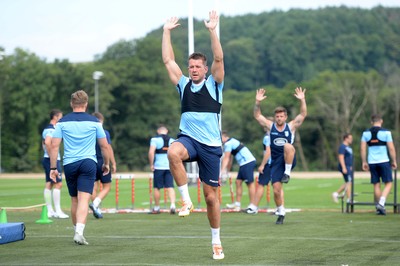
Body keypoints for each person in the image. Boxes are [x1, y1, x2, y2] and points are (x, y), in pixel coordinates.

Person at [162, 10, 225, 260]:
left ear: (206, 69)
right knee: (172, 151)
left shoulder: (214, 84)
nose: (194, 69)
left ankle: (216, 241)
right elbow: (168, 61)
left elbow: (219, 58)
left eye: (198, 66)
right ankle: (186, 200)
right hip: (188, 139)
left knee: (211, 198)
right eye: (191, 66)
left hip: (210, 146)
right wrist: (166, 32)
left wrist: (212, 30)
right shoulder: (183, 84)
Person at [49, 90, 110, 245]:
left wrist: (53, 168)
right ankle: (79, 232)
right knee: (84, 198)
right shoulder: (95, 122)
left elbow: (54, 145)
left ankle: (76, 230)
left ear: (72, 104)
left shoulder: (62, 122)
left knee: (74, 199)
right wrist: (106, 164)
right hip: (88, 163)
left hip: (69, 163)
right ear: (86, 104)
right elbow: (104, 146)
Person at [253, 87, 307, 224]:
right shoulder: (271, 127)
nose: (279, 118)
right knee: (276, 190)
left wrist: (302, 100)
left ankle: (287, 173)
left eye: (281, 116)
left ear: (286, 117)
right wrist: (257, 102)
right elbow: (257, 116)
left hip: (289, 159)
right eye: (277, 116)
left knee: (288, 146)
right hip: (276, 161)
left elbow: (303, 114)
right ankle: (281, 212)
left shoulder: (291, 126)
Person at [360, 114, 397, 215]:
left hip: (372, 162)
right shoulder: (386, 133)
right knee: (388, 183)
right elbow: (391, 148)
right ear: (381, 121)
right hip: (384, 161)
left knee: (376, 185)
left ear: (371, 122)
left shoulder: (365, 133)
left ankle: (379, 207)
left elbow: (363, 148)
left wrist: (364, 161)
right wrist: (394, 161)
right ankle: (381, 203)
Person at [247, 131, 284, 214]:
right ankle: (281, 208)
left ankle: (254, 207)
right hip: (278, 164)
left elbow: (268, 152)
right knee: (278, 187)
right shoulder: (280, 137)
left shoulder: (267, 137)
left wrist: (262, 165)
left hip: (269, 164)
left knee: (261, 185)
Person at [41, 109, 69, 219]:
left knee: (50, 183)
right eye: (60, 117)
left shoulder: (48, 129)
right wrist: (52, 154)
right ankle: (57, 211)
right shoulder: (51, 129)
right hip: (51, 160)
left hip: (48, 158)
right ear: (55, 117)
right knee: (58, 184)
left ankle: (50, 211)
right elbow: (48, 142)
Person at [89, 112, 117, 219]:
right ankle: (95, 204)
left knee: (93, 187)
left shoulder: (89, 133)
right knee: (107, 186)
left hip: (91, 161)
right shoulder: (104, 132)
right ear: (102, 121)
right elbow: (108, 148)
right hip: (102, 161)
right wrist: (112, 163)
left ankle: (97, 209)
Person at [220, 131, 256, 212]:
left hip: (247, 162)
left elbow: (226, 157)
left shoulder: (228, 144)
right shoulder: (231, 142)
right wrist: (228, 169)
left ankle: (253, 205)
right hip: (243, 164)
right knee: (238, 182)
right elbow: (230, 158)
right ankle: (237, 204)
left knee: (250, 183)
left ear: (224, 137)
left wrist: (222, 171)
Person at [148, 125, 176, 214]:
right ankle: (172, 205)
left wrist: (151, 164)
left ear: (158, 131)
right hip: (169, 166)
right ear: (167, 131)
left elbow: (151, 152)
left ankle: (156, 208)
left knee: (157, 187)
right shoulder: (172, 140)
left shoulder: (154, 140)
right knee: (170, 186)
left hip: (159, 166)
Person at [332, 133, 353, 204]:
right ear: (346, 138)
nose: (351, 140)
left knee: (348, 182)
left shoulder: (348, 147)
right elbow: (341, 157)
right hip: (344, 166)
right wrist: (344, 167)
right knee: (349, 182)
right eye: (350, 138)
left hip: (348, 166)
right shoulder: (342, 147)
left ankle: (336, 194)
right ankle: (349, 199)